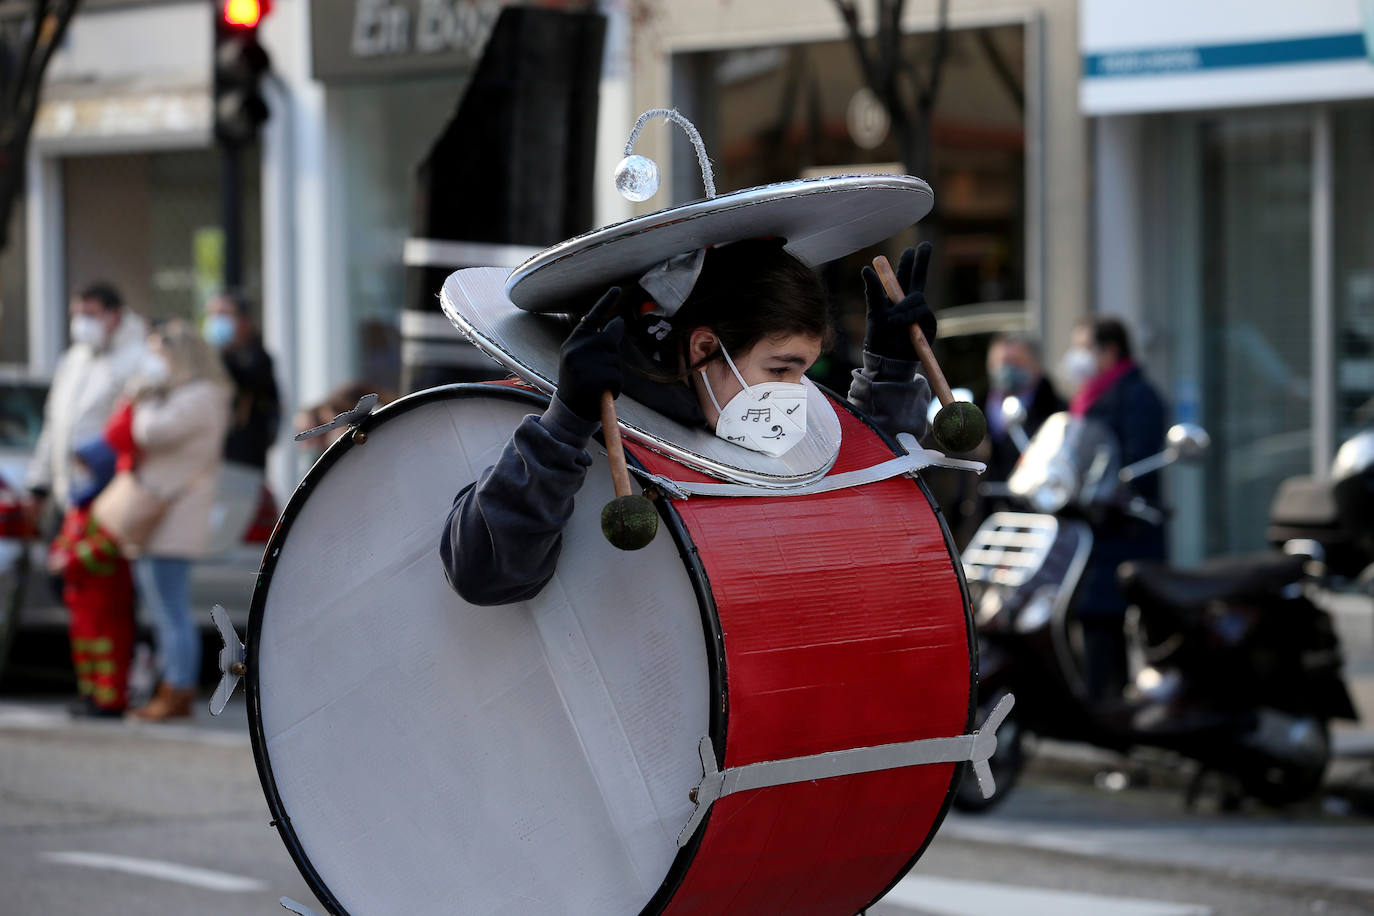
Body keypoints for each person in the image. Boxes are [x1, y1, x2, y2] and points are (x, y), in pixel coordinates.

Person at [440, 238, 937, 606]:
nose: (793, 396)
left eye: (802, 373)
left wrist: (891, 375)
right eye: (780, 370)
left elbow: (862, 518)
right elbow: (483, 576)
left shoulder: (730, 411)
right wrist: (565, 426)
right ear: (704, 348)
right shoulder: (571, 417)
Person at [116, 320, 232, 721]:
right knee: (167, 608)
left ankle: (177, 691)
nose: (151, 362)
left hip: (173, 516)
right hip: (165, 513)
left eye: (158, 353)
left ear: (178, 355)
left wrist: (143, 395)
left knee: (171, 611)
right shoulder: (193, 393)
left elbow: (150, 432)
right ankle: (172, 687)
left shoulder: (201, 395)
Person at [1062, 317, 1167, 702]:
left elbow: (1136, 465)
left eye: (1083, 347)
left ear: (1108, 351)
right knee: (1096, 619)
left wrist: (1106, 492)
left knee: (1106, 617)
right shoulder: (1091, 394)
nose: (1075, 357)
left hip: (1124, 531)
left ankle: (1109, 703)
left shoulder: (1138, 395)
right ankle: (1107, 702)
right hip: (1095, 530)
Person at [23, 282, 146, 519]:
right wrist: (38, 485)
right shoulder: (74, 360)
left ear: (114, 316)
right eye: (77, 314)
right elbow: (55, 425)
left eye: (90, 315)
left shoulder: (138, 361)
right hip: (66, 494)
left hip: (109, 493)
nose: (81, 322)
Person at [46, 435, 134, 718]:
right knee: (84, 649)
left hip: (105, 595)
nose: (80, 474)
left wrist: (69, 560)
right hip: (81, 596)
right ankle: (90, 696)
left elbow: (106, 546)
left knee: (108, 649)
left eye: (85, 467)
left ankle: (110, 701)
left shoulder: (108, 508)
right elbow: (65, 538)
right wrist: (58, 554)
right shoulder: (78, 508)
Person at [204, 292, 281, 472]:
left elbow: (246, 379)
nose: (217, 321)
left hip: (243, 458)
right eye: (213, 315)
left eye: (224, 314)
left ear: (244, 321)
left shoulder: (257, 359)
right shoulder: (212, 358)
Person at [979, 332, 1064, 482]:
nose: (1005, 369)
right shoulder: (975, 406)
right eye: (999, 362)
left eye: (1015, 362)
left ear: (1036, 365)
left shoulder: (1057, 413)